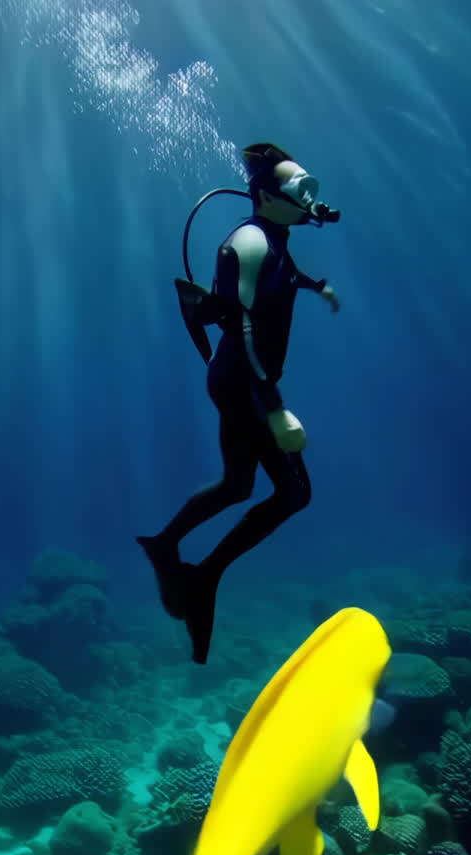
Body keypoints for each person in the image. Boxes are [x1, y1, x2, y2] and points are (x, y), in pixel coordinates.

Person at [137, 142, 341, 664]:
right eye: (301, 191)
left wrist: (315, 285)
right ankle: (203, 577)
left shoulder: (274, 236)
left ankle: (165, 546)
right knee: (293, 492)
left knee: (239, 484)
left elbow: (283, 276)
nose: (310, 199)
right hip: (242, 383)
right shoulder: (248, 242)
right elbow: (241, 322)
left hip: (241, 381)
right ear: (268, 198)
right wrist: (273, 405)